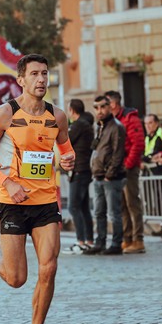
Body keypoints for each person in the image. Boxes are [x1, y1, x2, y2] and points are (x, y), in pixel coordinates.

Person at [0, 54, 75, 324]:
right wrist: (7, 181)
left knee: (50, 267)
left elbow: (66, 153)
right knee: (17, 279)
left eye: (45, 74)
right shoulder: (3, 114)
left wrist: (69, 160)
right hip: (13, 203)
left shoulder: (58, 116)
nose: (41, 79)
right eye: (34, 74)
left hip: (45, 202)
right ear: (21, 80)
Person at [82, 95, 126, 255]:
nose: (99, 111)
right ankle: (100, 242)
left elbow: (118, 153)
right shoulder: (99, 127)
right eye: (96, 107)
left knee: (114, 213)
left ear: (110, 107)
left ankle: (116, 243)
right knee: (99, 212)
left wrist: (110, 174)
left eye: (102, 107)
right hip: (98, 176)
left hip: (111, 178)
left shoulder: (116, 127)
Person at [105, 90, 145, 254]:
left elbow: (138, 144)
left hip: (128, 168)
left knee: (132, 203)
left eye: (105, 104)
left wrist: (127, 165)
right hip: (118, 168)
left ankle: (138, 239)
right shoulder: (113, 120)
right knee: (121, 205)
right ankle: (127, 238)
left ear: (113, 104)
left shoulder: (130, 118)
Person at [62, 99, 94, 255]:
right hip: (83, 169)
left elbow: (65, 141)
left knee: (74, 206)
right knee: (83, 207)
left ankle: (81, 241)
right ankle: (89, 241)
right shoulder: (85, 124)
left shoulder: (79, 125)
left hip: (79, 169)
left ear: (72, 110)